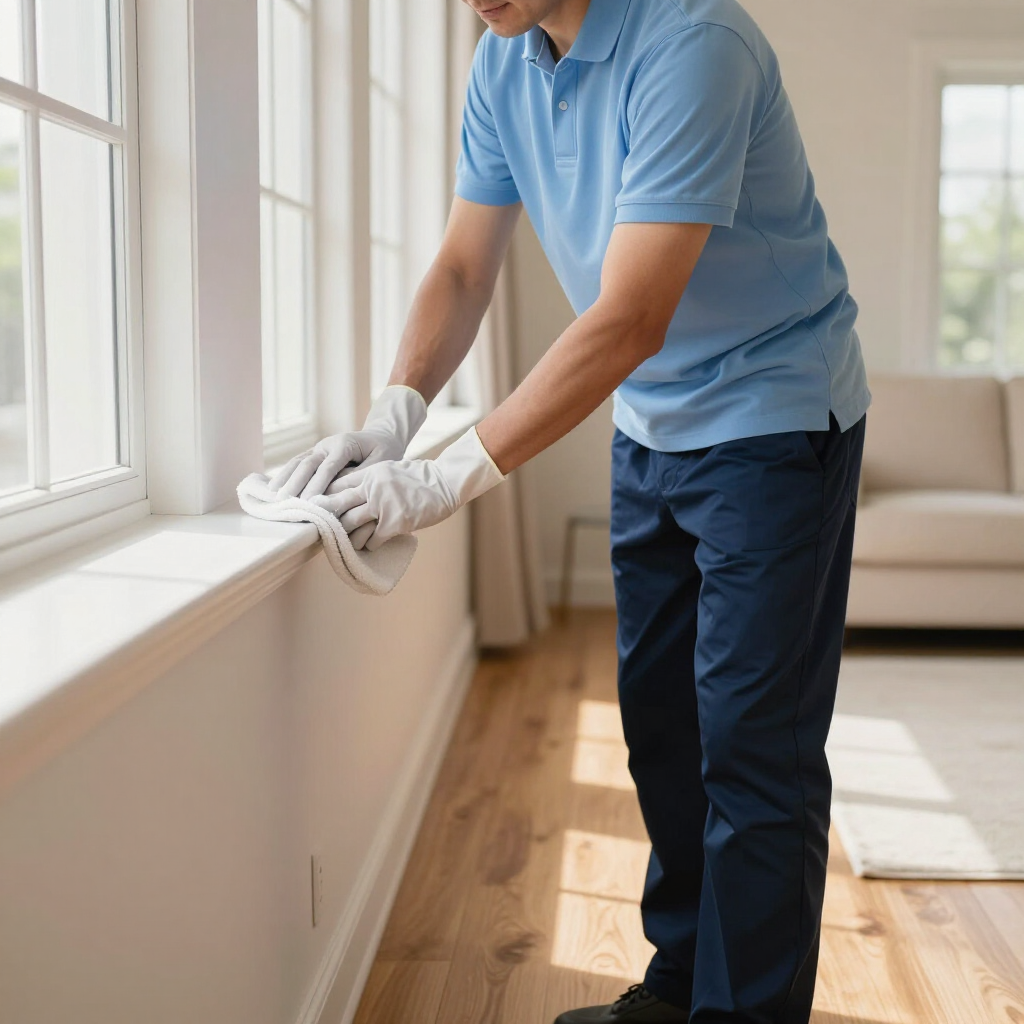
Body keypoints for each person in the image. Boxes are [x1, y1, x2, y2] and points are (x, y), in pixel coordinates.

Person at [270, 0, 870, 1019]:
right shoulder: (504, 61)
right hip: (648, 426)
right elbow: (464, 265)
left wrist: (445, 479)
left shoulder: (694, 46)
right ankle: (681, 985)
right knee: (662, 731)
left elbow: (631, 316)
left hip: (772, 423)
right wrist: (394, 414)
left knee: (750, 745)